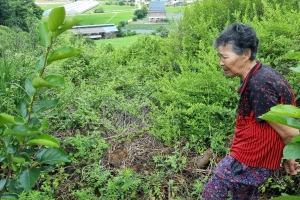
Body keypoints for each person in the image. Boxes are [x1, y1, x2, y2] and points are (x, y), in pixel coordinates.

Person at [201, 23, 300, 199]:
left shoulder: (260, 85)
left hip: (249, 161)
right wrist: (288, 155)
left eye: (224, 57)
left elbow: (289, 131)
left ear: (246, 54)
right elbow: (284, 121)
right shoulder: (264, 74)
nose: (220, 63)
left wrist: (291, 155)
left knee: (214, 189)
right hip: (255, 159)